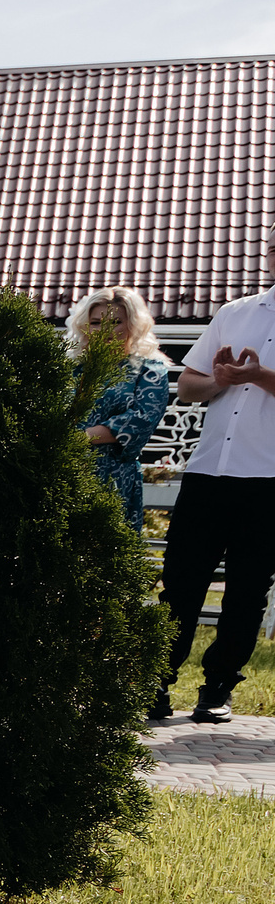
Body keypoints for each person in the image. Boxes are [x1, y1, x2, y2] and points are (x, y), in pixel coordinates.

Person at [151, 235, 275, 726]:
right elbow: (188, 385)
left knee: (246, 591)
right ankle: (155, 681)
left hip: (268, 478)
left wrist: (260, 376)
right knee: (179, 584)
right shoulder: (234, 311)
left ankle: (218, 687)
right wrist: (219, 380)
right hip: (207, 472)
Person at [68, 285, 177, 533]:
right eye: (96, 323)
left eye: (115, 322)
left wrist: (76, 439)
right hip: (61, 473)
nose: (104, 330)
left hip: (112, 479)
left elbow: (140, 420)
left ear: (133, 326)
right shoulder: (71, 368)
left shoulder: (150, 370)